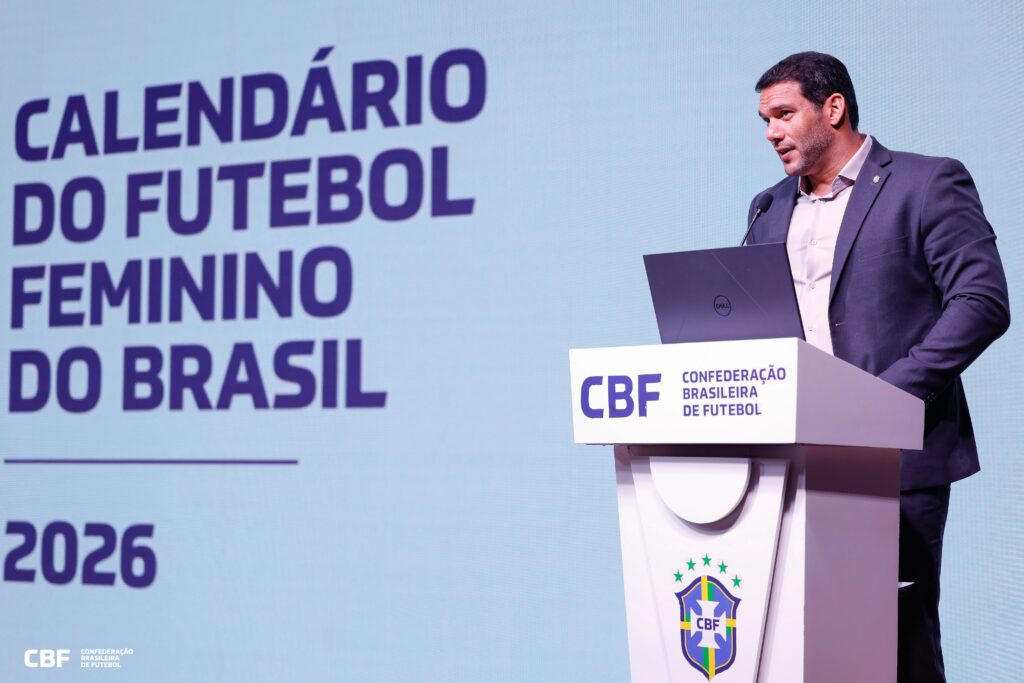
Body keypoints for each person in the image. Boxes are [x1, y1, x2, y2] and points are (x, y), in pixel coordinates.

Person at [746, 52, 1010, 682]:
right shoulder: (766, 209)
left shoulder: (926, 183)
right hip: (794, 463)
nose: (770, 132)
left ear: (832, 108)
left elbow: (982, 302)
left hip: (893, 457)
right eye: (763, 120)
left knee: (900, 648)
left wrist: (883, 399)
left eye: (783, 114)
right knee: (803, 649)